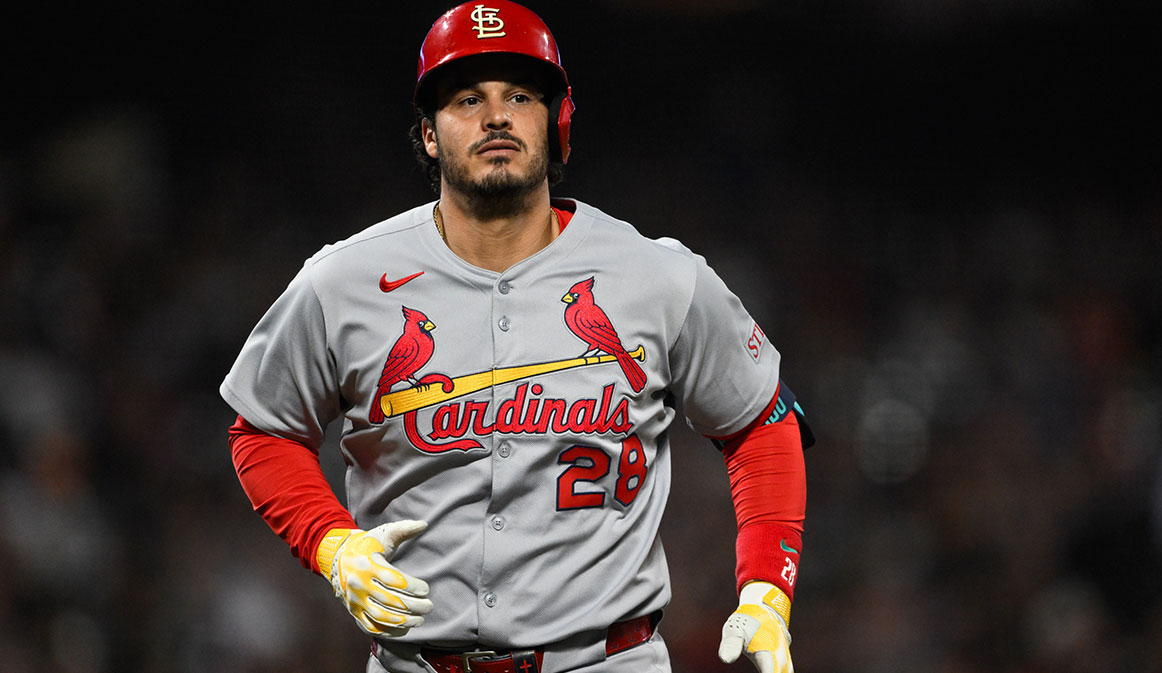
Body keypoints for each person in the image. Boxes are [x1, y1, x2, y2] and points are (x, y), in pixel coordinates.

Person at [219, 2, 813, 672]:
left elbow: (762, 421)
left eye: (521, 96)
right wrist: (330, 542)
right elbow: (263, 428)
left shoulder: (659, 277)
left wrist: (767, 584)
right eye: (468, 97)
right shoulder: (343, 281)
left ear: (557, 124)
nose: (496, 115)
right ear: (430, 133)